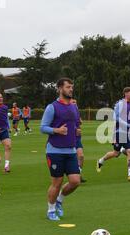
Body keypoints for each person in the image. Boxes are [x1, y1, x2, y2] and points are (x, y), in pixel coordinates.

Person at [40, 78, 81, 221]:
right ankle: (50, 210)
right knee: (56, 182)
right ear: (59, 88)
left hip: (71, 150)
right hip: (54, 150)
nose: (71, 89)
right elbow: (42, 128)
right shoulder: (52, 107)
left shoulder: (74, 107)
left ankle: (59, 200)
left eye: (72, 87)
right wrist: (57, 130)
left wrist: (76, 131)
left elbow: (75, 125)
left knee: (75, 181)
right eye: (68, 87)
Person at [96, 87, 130, 182]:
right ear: (125, 94)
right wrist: (128, 126)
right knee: (116, 153)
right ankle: (101, 160)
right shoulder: (120, 104)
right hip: (119, 132)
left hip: (128, 133)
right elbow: (116, 118)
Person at [71, 99, 86, 183]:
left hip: (77, 137)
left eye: (75, 103)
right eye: (73, 103)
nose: (74, 104)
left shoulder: (76, 110)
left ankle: (78, 174)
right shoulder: (66, 111)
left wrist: (80, 121)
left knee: (81, 156)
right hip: (68, 137)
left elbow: (79, 121)